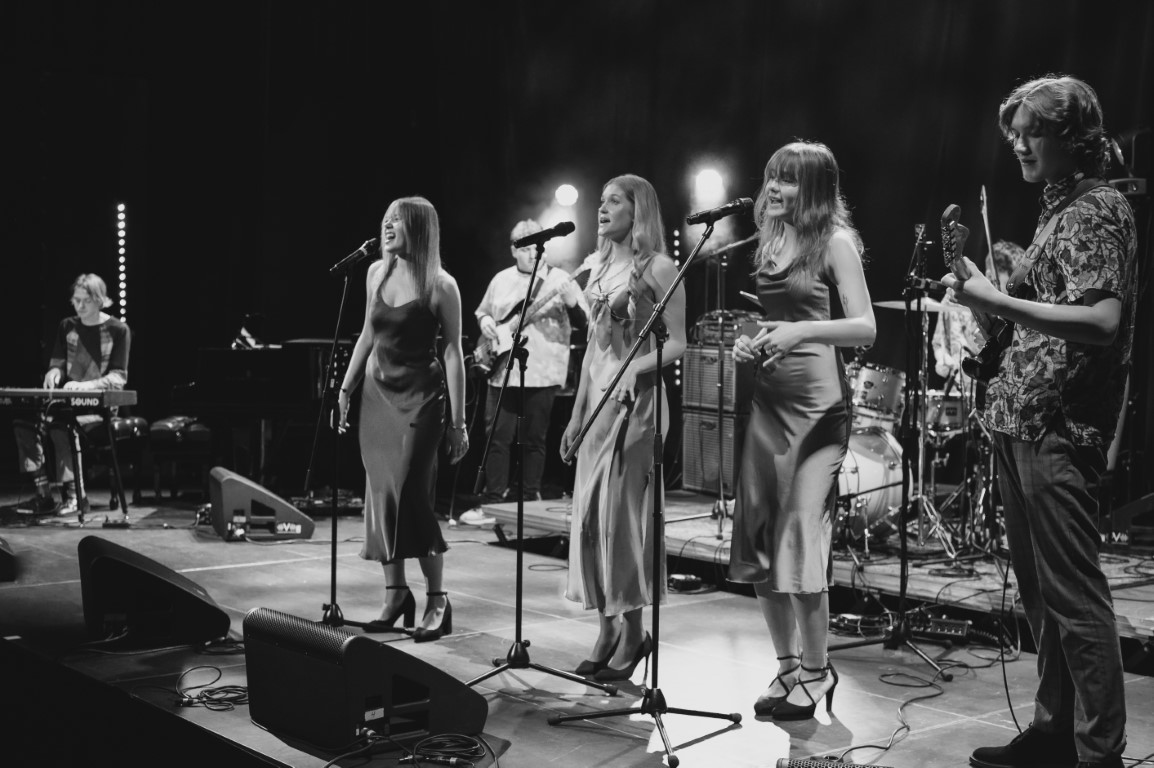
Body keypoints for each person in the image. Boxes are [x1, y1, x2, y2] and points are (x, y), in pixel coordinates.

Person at [942, 75, 1134, 768]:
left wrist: (998, 299)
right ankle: (1055, 733)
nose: (1019, 145)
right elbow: (1036, 327)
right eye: (1014, 134)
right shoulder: (1057, 213)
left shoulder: (1096, 208)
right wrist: (983, 296)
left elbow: (1102, 321)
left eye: (1033, 133)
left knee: (1075, 601)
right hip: (1020, 420)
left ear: (1073, 137)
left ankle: (1099, 754)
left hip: (1058, 428)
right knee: (1043, 600)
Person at [728, 141, 876, 720]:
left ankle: (818, 670)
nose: (773, 187)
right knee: (760, 538)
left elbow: (865, 327)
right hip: (769, 402)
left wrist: (800, 333)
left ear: (813, 188)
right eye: (771, 176)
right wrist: (751, 341)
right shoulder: (770, 240)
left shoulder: (834, 242)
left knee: (800, 540)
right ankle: (788, 666)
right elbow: (776, 322)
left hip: (818, 409)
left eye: (787, 179)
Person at [560, 174, 686, 681]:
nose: (603, 207)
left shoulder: (659, 267)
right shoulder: (598, 267)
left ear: (639, 211)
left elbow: (680, 342)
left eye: (616, 201)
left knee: (621, 521)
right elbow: (594, 351)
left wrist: (635, 369)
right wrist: (576, 413)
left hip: (638, 406)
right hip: (598, 404)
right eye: (602, 200)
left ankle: (634, 633)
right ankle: (607, 627)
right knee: (590, 519)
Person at [338, 196, 469, 643]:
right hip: (377, 398)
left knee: (412, 495)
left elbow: (453, 353)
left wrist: (458, 423)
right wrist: (345, 389)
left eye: (400, 220)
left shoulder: (442, 284)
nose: (389, 225)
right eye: (387, 219)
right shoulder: (376, 272)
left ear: (421, 228)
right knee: (380, 497)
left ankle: (437, 599)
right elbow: (367, 335)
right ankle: (396, 595)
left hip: (421, 400)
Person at [462, 219, 587, 525]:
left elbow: (585, 324)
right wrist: (485, 323)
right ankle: (493, 502)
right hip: (502, 370)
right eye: (526, 248)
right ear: (514, 250)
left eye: (537, 248)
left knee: (534, 440)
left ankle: (530, 501)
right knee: (497, 437)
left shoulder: (560, 279)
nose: (533, 254)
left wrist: (572, 303)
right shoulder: (501, 279)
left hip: (543, 370)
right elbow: (483, 311)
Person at [13, 274, 131, 516]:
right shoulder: (67, 326)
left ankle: (75, 496)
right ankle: (43, 495)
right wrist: (54, 373)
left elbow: (119, 377)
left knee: (61, 427)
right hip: (66, 403)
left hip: (98, 409)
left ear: (100, 300)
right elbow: (57, 363)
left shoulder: (118, 330)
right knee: (24, 425)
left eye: (86, 301)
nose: (80, 306)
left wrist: (86, 386)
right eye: (76, 300)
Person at [932, 239, 1025, 394]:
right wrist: (942, 359)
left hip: (1001, 390)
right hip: (958, 390)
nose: (1012, 292)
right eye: (1008, 284)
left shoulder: (1015, 308)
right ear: (990, 275)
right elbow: (939, 343)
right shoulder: (955, 299)